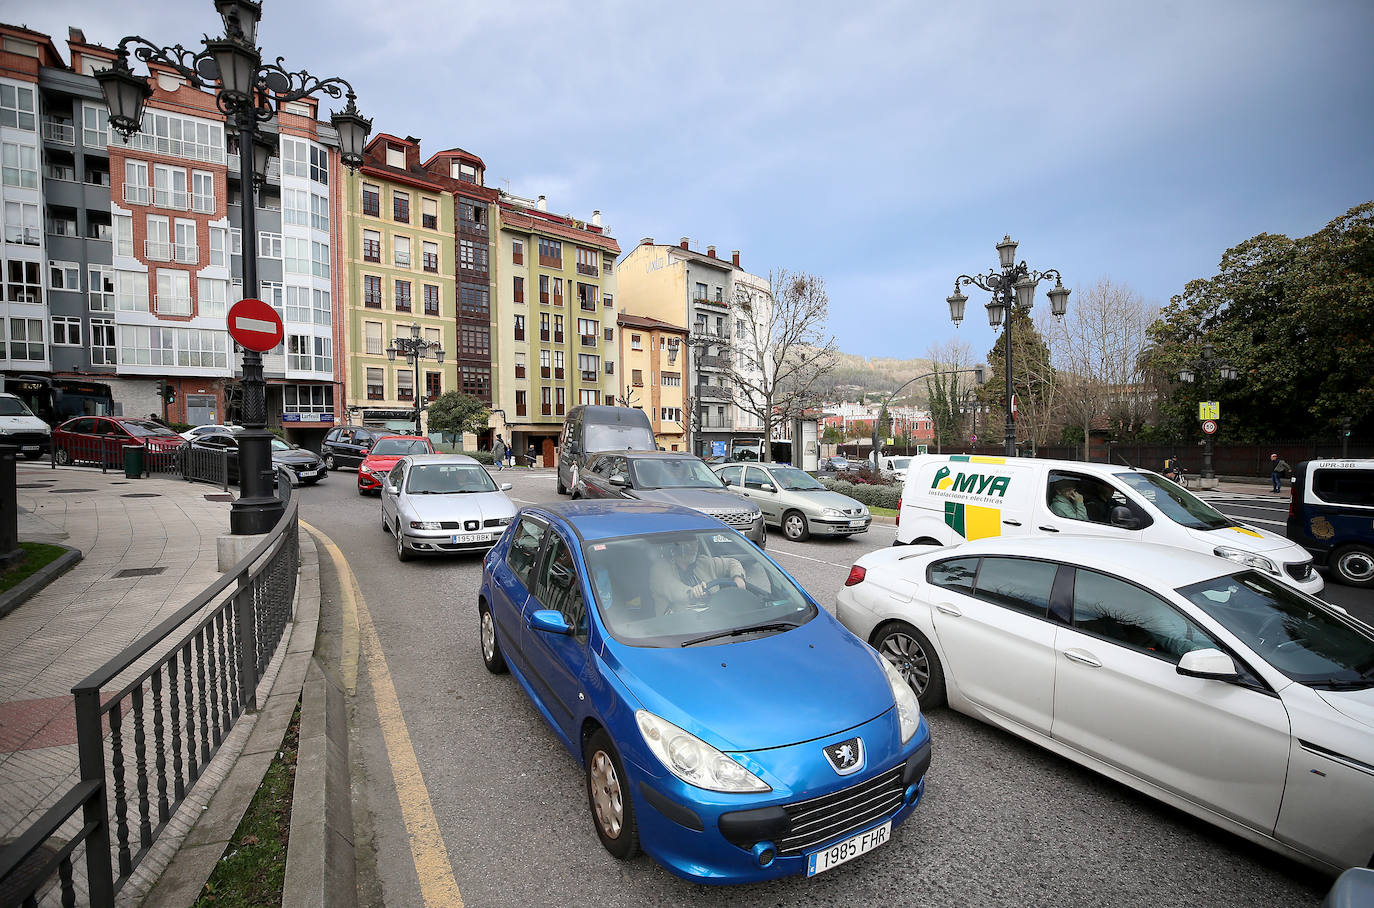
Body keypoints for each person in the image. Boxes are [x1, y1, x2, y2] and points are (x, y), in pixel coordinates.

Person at [650, 537, 747, 615]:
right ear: (676, 547)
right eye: (688, 544)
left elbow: (732, 563)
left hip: (714, 620)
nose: (694, 548)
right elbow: (673, 589)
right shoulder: (659, 569)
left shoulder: (704, 562)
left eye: (695, 543)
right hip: (676, 628)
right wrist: (692, 592)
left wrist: (738, 577)